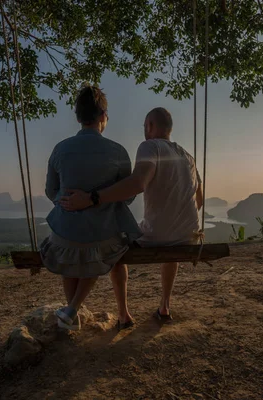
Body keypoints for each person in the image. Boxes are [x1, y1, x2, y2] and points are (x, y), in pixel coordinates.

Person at [60, 107, 203, 327]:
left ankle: (124, 314)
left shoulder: (149, 146)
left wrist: (92, 198)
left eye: (145, 126)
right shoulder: (188, 156)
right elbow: (199, 199)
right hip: (187, 235)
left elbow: (137, 184)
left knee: (114, 242)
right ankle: (164, 306)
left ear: (150, 126)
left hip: (157, 236)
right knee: (170, 241)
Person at [41, 84, 142, 331]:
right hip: (101, 241)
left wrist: (65, 202)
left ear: (77, 118)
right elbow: (127, 197)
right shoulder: (118, 151)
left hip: (64, 239)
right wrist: (100, 201)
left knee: (72, 252)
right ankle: (81, 310)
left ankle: (70, 311)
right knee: (110, 249)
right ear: (103, 116)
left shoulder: (60, 149)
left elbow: (50, 191)